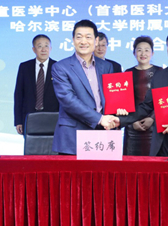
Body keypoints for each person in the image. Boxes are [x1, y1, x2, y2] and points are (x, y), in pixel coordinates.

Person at [51, 20, 118, 155]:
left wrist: (118, 112)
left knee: (103, 170)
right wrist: (100, 119)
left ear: (96, 40)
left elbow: (111, 97)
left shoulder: (106, 66)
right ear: (73, 40)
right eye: (79, 37)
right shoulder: (60, 67)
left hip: (103, 134)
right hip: (72, 136)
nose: (83, 41)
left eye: (88, 37)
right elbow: (68, 100)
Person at [123, 36, 162, 156]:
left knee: (154, 163)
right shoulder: (127, 73)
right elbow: (125, 101)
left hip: (154, 126)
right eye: (139, 50)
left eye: (146, 50)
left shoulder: (160, 72)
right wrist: (133, 120)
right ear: (134, 53)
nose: (143, 53)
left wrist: (152, 118)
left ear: (152, 53)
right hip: (132, 127)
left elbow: (163, 99)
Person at [13, 34, 59, 135]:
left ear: (50, 48)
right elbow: (19, 95)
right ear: (34, 49)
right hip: (29, 117)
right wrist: (18, 121)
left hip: (53, 117)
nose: (43, 49)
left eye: (46, 46)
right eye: (39, 46)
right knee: (31, 144)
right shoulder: (25, 67)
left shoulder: (58, 67)